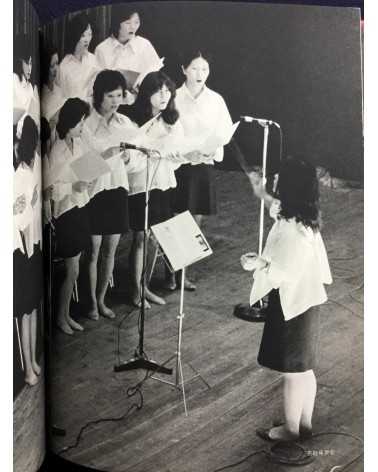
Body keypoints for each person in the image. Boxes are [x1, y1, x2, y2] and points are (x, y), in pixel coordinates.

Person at [240, 156, 332, 441]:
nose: (274, 179)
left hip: (294, 305)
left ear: (290, 186)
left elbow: (284, 273)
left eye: (279, 177)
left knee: (293, 371)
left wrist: (257, 264)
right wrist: (260, 191)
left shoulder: (294, 231)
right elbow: (275, 208)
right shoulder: (299, 215)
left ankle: (291, 430)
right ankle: (304, 423)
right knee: (304, 368)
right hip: (306, 302)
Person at [83, 69, 145, 320]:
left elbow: (134, 164)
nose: (116, 101)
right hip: (94, 191)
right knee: (93, 249)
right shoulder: (86, 123)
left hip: (118, 189)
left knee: (111, 248)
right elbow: (83, 165)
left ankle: (101, 299)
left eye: (119, 95)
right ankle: (90, 303)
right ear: (99, 95)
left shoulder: (125, 124)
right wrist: (108, 154)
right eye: (110, 96)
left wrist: (129, 156)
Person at [170, 49, 233, 290]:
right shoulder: (174, 97)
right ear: (184, 69)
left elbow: (224, 131)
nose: (200, 74)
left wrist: (210, 150)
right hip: (181, 165)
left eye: (204, 69)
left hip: (203, 165)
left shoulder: (215, 99)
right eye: (195, 68)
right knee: (176, 221)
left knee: (195, 222)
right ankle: (170, 271)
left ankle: (183, 273)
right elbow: (170, 132)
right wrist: (188, 151)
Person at [127, 71, 190, 307]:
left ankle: (145, 287)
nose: (164, 95)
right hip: (141, 183)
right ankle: (135, 291)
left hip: (162, 182)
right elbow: (131, 152)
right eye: (158, 90)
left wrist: (170, 153)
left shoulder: (172, 119)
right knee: (141, 237)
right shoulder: (133, 119)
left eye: (167, 91)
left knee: (155, 238)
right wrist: (152, 148)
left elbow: (179, 153)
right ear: (147, 93)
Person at [47, 98, 91, 335]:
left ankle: (65, 314)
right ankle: (61, 317)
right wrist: (72, 188)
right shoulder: (57, 150)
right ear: (71, 121)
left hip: (80, 207)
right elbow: (51, 188)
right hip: (65, 212)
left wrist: (86, 181)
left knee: (75, 267)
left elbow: (86, 169)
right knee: (71, 268)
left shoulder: (79, 143)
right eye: (81, 122)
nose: (83, 127)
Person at [13, 116, 42, 386]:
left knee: (32, 307)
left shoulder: (30, 168)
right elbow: (17, 218)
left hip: (31, 244)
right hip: (18, 250)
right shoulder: (17, 175)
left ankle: (32, 359)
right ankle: (27, 369)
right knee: (24, 309)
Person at [95, 5, 161, 90]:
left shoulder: (144, 45)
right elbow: (98, 82)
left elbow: (155, 76)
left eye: (136, 22)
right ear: (117, 22)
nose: (133, 27)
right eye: (128, 23)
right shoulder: (102, 49)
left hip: (140, 97)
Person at [59, 13, 99, 101]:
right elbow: (62, 97)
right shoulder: (64, 65)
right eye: (83, 36)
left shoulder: (93, 59)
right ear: (75, 35)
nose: (87, 40)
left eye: (89, 34)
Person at [41, 42, 65, 148]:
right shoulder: (40, 95)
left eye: (57, 63)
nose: (56, 69)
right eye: (52, 65)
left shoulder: (59, 90)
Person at [13, 34, 39, 126]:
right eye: (27, 63)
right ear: (19, 61)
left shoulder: (30, 86)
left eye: (31, 63)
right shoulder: (13, 80)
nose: (30, 68)